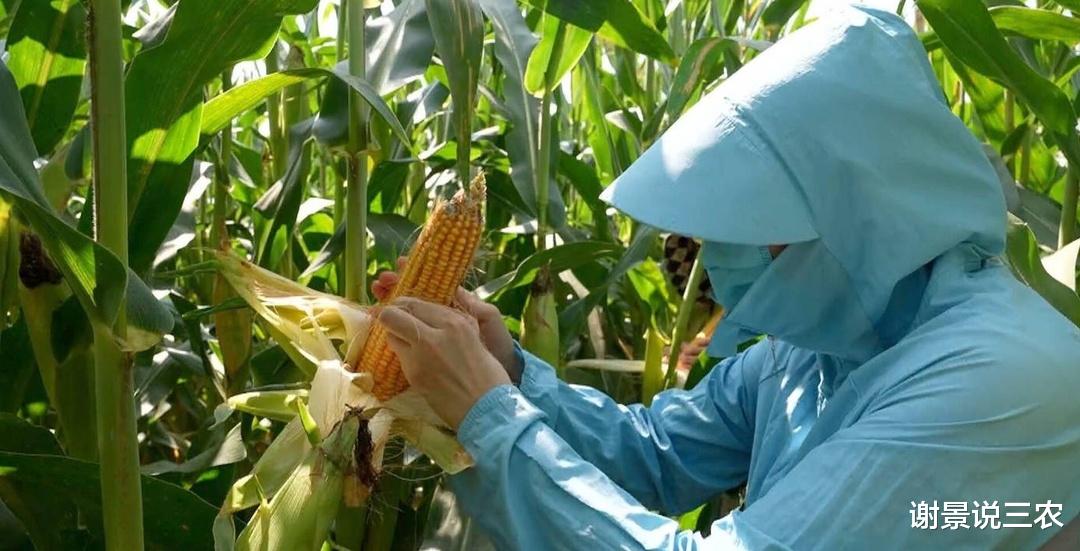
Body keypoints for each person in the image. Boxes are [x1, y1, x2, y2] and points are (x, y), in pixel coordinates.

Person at [373, 5, 1080, 549]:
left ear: (856, 215)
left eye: (753, 219)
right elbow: (652, 455)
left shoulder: (998, 379)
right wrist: (505, 370)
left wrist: (490, 414)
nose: (718, 255)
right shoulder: (814, 350)